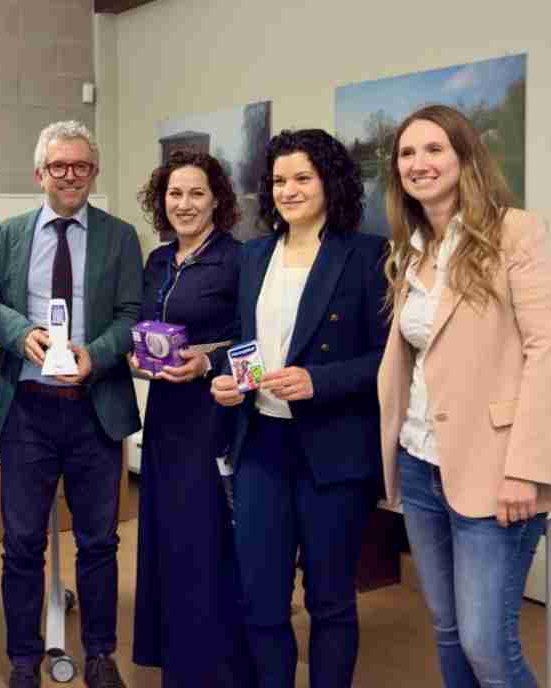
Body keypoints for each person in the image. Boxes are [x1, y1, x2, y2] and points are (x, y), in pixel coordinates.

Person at [378, 104, 551, 687]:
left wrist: (525, 469)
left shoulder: (515, 231)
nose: (419, 163)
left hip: (496, 470)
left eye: (434, 149)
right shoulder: (410, 249)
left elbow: (546, 350)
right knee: (447, 631)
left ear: (465, 156)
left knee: (487, 646)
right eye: (407, 153)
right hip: (421, 464)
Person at [210, 129, 389, 688]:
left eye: (302, 178)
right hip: (260, 444)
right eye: (279, 181)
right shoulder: (254, 255)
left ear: (329, 181)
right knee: (262, 599)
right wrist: (227, 380)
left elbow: (388, 359)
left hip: (333, 450)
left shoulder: (366, 256)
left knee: (330, 600)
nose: (287, 190)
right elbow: (244, 339)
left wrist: (319, 381)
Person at [0, 121, 143, 688]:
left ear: (93, 173)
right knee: (22, 543)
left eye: (80, 166)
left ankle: (100, 654)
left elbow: (132, 314)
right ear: (39, 173)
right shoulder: (6, 235)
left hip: (94, 410)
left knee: (99, 542)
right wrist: (18, 332)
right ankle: (24, 658)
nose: (69, 176)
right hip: (28, 409)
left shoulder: (120, 237)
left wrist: (94, 354)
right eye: (58, 166)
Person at [129, 150, 255, 687]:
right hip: (164, 412)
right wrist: (136, 355)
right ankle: (177, 661)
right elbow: (142, 324)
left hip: (214, 414)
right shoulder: (158, 260)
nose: (184, 204)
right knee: (167, 536)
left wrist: (208, 364)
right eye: (174, 194)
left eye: (196, 193)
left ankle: (217, 669)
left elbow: (257, 347)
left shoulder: (239, 260)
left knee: (206, 539)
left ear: (217, 200)